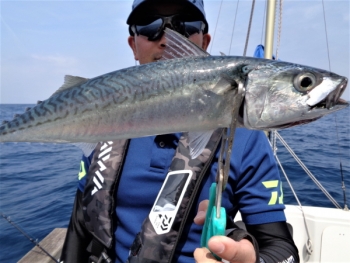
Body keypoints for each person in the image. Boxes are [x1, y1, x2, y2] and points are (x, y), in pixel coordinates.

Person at [60, 0, 299, 262]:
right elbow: (80, 225)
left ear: (204, 42)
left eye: (185, 26)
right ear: (133, 45)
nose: (167, 39)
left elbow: (282, 248)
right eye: (150, 26)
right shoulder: (103, 122)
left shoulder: (244, 138)